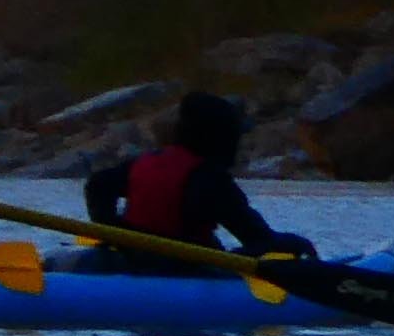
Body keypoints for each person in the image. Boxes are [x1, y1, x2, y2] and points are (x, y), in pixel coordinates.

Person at [84, 93, 314, 271]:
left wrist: (118, 235)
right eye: (235, 137)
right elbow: (257, 238)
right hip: (181, 269)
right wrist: (297, 244)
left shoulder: (143, 163)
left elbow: (96, 186)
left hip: (131, 260)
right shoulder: (211, 181)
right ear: (221, 139)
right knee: (296, 246)